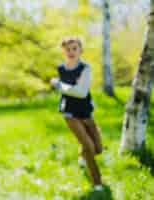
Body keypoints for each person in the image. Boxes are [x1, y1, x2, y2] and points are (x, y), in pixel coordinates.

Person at [50, 37, 103, 190]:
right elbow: (71, 91)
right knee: (88, 146)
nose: (71, 52)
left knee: (97, 148)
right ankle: (97, 182)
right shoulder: (61, 69)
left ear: (80, 50)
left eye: (74, 48)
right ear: (63, 51)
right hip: (69, 112)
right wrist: (64, 86)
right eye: (67, 49)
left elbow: (81, 92)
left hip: (86, 111)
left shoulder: (85, 68)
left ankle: (82, 156)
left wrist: (59, 85)